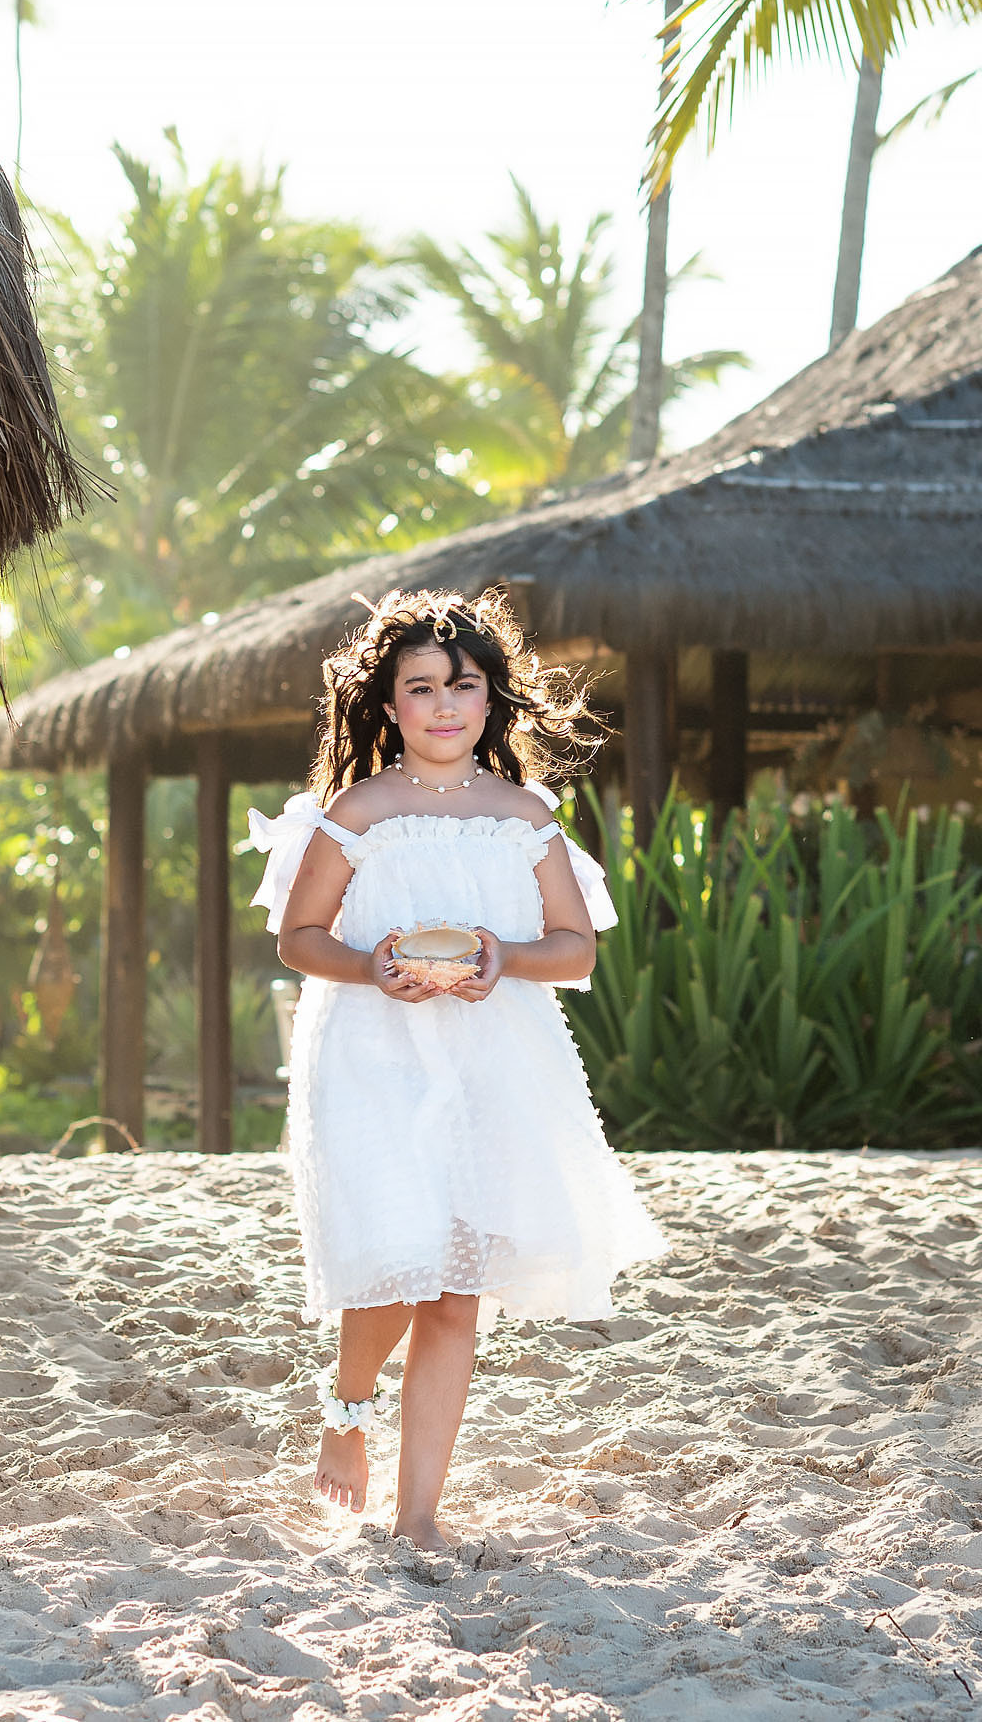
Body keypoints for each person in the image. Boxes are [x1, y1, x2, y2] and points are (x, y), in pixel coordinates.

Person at [247, 587, 667, 1551]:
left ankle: (420, 1516)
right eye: (421, 687)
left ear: (491, 702)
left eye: (463, 686)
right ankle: (348, 1409)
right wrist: (372, 967)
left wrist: (501, 956)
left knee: (455, 1287)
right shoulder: (359, 811)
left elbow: (576, 949)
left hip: (494, 1058)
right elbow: (299, 939)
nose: (444, 705)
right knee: (399, 1261)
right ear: (388, 705)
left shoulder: (525, 817)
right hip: (372, 1052)